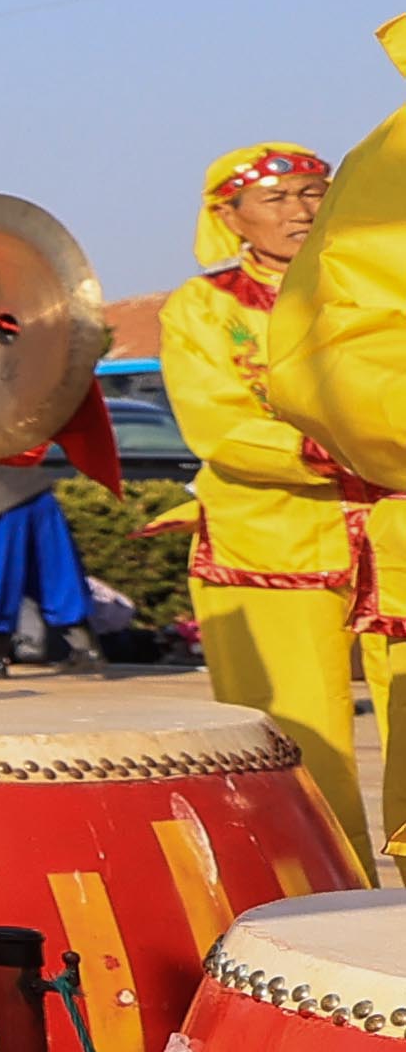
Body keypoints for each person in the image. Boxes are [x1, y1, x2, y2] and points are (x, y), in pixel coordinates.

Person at [165, 141, 386, 766]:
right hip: (272, 542)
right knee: (296, 734)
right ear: (229, 216)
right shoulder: (205, 307)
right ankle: (319, 839)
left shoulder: (376, 289)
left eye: (314, 193)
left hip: (389, 531)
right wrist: (346, 450)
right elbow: (219, 424)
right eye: (276, 198)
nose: (301, 211)